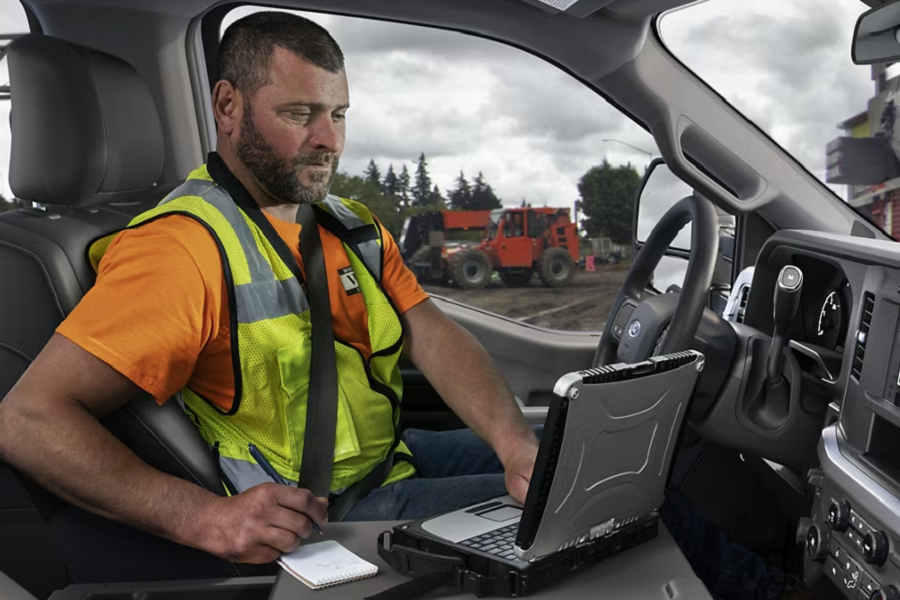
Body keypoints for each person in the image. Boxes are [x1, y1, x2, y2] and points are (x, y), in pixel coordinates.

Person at [0, 12, 538, 566]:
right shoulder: (181, 248)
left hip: (391, 460)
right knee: (568, 513)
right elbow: (28, 421)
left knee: (570, 467)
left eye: (339, 114)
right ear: (228, 107)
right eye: (300, 113)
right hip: (333, 522)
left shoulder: (350, 226)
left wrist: (513, 442)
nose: (329, 139)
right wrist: (201, 517)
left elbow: (431, 334)